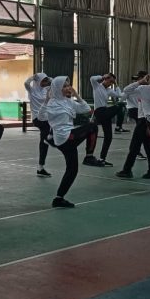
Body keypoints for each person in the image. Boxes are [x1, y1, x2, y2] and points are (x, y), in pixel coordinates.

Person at [39, 76, 99, 208]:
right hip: (64, 137)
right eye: (64, 86)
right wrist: (46, 100)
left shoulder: (68, 101)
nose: (68, 88)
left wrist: (76, 95)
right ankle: (89, 156)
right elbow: (41, 117)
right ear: (57, 89)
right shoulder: (52, 103)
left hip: (70, 137)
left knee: (72, 170)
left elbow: (86, 109)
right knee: (92, 126)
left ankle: (59, 198)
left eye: (69, 85)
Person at [88, 73, 123, 167]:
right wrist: (103, 76)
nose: (110, 83)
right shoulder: (97, 86)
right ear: (106, 79)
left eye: (112, 82)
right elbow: (92, 78)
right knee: (120, 106)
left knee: (108, 137)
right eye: (110, 81)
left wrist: (116, 84)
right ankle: (118, 127)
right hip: (99, 112)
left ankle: (102, 159)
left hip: (105, 114)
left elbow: (119, 95)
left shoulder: (109, 90)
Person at [24, 72, 52, 177]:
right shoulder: (32, 90)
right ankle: (50, 137)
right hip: (38, 118)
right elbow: (26, 83)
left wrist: (48, 79)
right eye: (43, 81)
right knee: (45, 139)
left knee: (44, 141)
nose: (45, 83)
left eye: (46, 81)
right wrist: (33, 77)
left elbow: (55, 83)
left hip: (46, 118)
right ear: (38, 81)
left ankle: (41, 167)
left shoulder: (46, 90)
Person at [123, 71, 150, 162]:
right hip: (134, 110)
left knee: (142, 132)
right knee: (141, 131)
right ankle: (135, 151)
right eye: (138, 78)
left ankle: (136, 151)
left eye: (140, 78)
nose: (138, 80)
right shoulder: (134, 87)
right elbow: (124, 92)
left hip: (141, 111)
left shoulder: (146, 88)